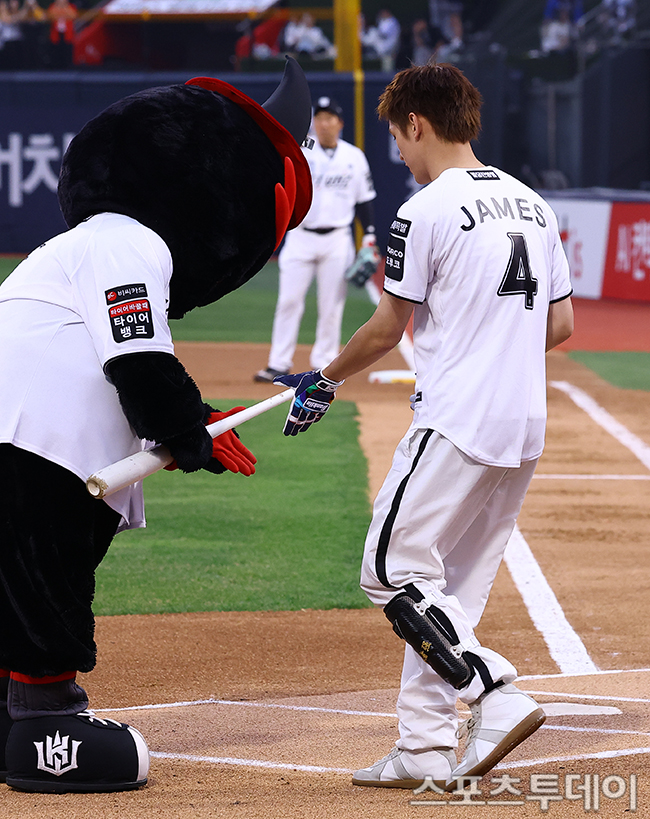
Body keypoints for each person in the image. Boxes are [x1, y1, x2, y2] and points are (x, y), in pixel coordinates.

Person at [0, 57, 312, 793]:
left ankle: (15, 715)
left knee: (17, 576)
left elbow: (121, 354)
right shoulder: (123, 238)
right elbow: (136, 353)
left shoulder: (84, 249)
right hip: (36, 440)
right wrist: (181, 427)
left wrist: (194, 421)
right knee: (46, 572)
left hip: (31, 431)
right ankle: (47, 724)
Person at [274, 62, 574, 790]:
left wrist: (324, 378)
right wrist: (495, 351)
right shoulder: (533, 204)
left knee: (389, 568)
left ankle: (493, 691)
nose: (398, 152)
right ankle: (424, 746)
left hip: (456, 418)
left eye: (398, 136)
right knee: (447, 592)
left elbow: (387, 326)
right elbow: (561, 324)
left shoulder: (424, 209)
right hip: (521, 423)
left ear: (417, 123)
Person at [254, 96, 376, 384]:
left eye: (329, 118)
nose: (324, 124)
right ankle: (278, 363)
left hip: (337, 238)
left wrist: (369, 235)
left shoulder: (353, 157)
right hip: (301, 237)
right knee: (289, 301)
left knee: (331, 305)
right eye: (319, 118)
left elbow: (364, 200)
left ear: (340, 123)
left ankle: (324, 365)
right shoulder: (302, 153)